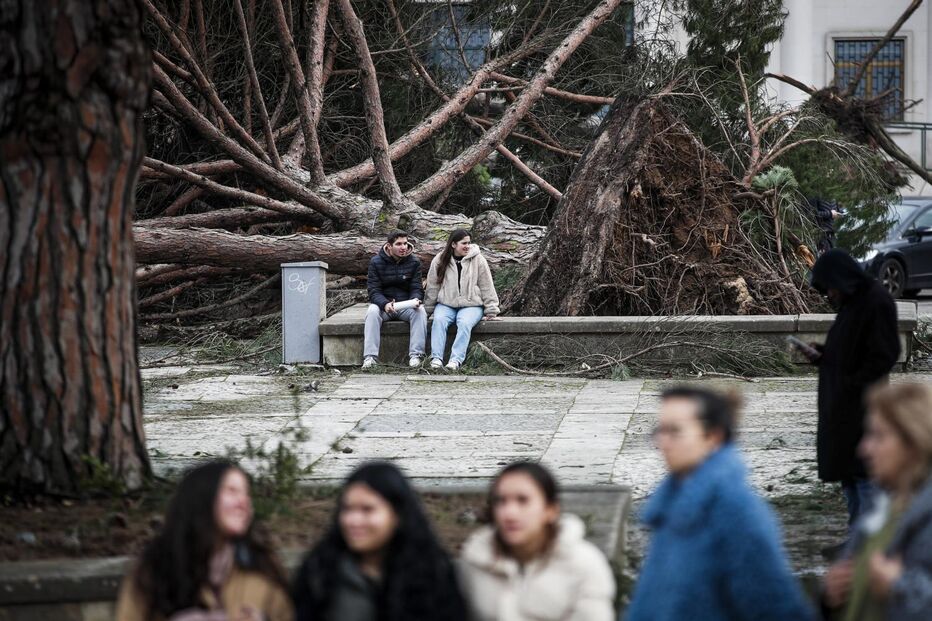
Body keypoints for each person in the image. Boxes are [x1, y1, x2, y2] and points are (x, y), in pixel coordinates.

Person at [624, 387, 814, 621]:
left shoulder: (737, 511)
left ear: (713, 436)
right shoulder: (673, 506)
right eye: (660, 430)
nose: (663, 442)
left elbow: (775, 607)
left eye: (675, 431)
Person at [116, 460, 291, 621]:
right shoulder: (155, 570)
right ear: (202, 498)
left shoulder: (263, 567)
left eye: (246, 493)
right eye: (231, 491)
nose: (243, 502)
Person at [292, 461, 466, 621]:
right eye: (347, 509)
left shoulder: (433, 573)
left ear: (397, 514)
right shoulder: (320, 571)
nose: (353, 521)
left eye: (367, 510)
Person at [823, 383, 932, 621]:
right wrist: (829, 595)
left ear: (913, 442)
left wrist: (898, 589)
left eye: (878, 436)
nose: (864, 449)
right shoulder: (881, 504)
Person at [808, 249, 900, 525]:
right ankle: (856, 537)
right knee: (849, 475)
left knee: (864, 475)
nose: (830, 295)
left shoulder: (875, 301)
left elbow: (883, 355)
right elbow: (850, 349)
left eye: (830, 288)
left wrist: (851, 384)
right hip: (844, 406)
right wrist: (824, 356)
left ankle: (867, 540)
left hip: (862, 406)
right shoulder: (853, 302)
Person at [459, 461, 615, 621]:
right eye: (501, 501)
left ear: (550, 510)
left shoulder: (583, 565)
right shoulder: (476, 559)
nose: (510, 513)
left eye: (523, 501)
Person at [424, 228, 500, 371]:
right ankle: (436, 359)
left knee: (464, 323)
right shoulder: (440, 259)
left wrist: (491, 310)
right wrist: (428, 309)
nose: (467, 246)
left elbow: (486, 285)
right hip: (446, 304)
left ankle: (455, 361)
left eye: (469, 243)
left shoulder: (478, 259)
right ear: (453, 244)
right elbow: (433, 286)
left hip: (472, 305)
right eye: (463, 243)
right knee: (439, 321)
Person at [363, 230, 428, 370]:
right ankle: (370, 358)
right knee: (372, 311)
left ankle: (416, 356)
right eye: (398, 244)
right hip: (384, 306)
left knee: (420, 312)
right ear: (389, 246)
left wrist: (415, 300)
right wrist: (384, 304)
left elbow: (416, 287)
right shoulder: (376, 262)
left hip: (405, 305)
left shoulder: (414, 262)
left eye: (405, 243)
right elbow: (373, 290)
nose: (403, 247)